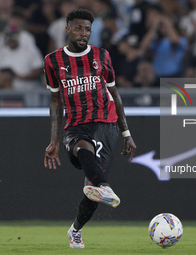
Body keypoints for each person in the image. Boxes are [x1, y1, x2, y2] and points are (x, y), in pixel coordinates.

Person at [43, 9, 136, 249]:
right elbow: (55, 101)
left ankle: (75, 230)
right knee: (84, 150)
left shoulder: (102, 56)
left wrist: (126, 134)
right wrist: (54, 141)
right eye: (78, 28)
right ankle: (104, 186)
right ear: (67, 30)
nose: (83, 33)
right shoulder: (53, 61)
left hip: (105, 124)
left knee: (90, 189)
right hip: (75, 125)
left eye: (87, 29)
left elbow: (115, 94)